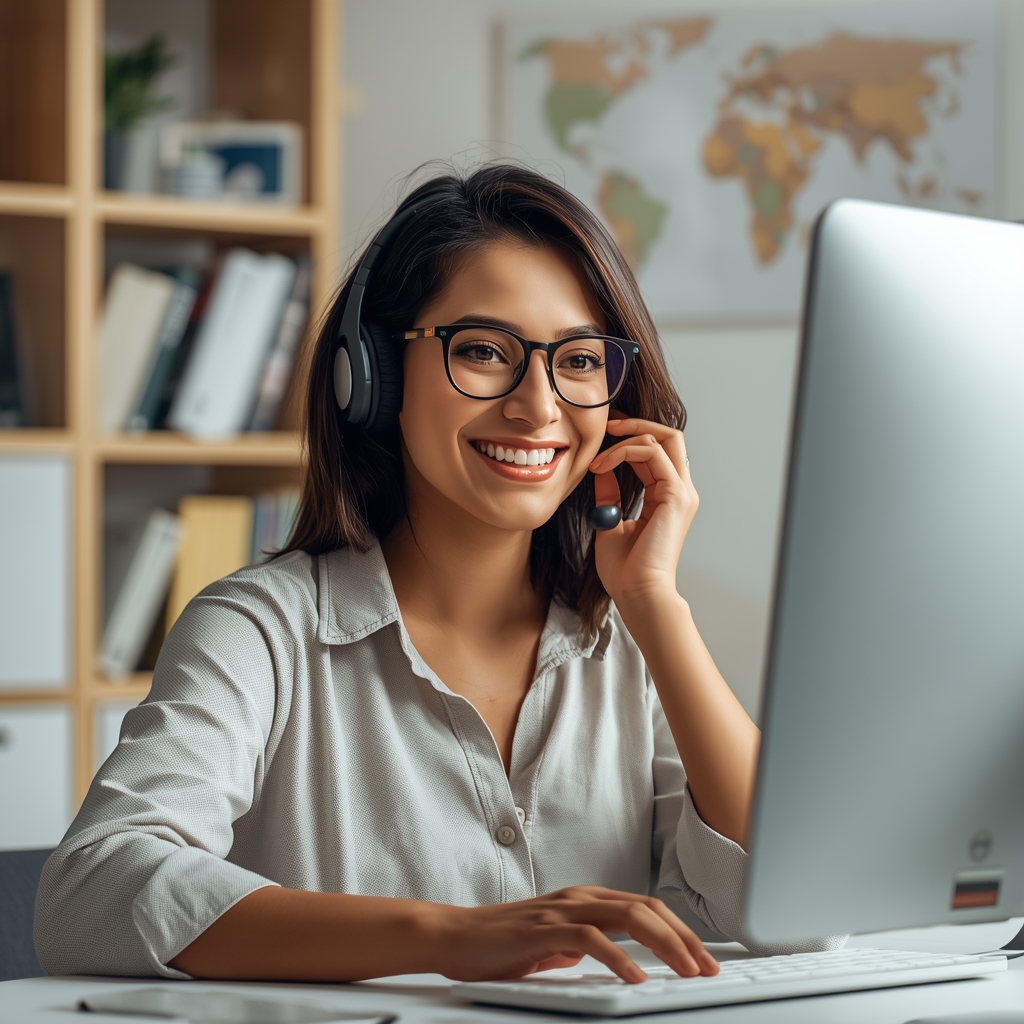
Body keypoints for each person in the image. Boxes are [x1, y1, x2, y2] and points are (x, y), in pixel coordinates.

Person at [36, 165, 831, 984]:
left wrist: (654, 603)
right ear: (373, 377)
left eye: (581, 360)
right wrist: (449, 936)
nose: (538, 406)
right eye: (484, 351)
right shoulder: (260, 632)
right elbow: (93, 890)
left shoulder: (626, 649)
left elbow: (803, 909)